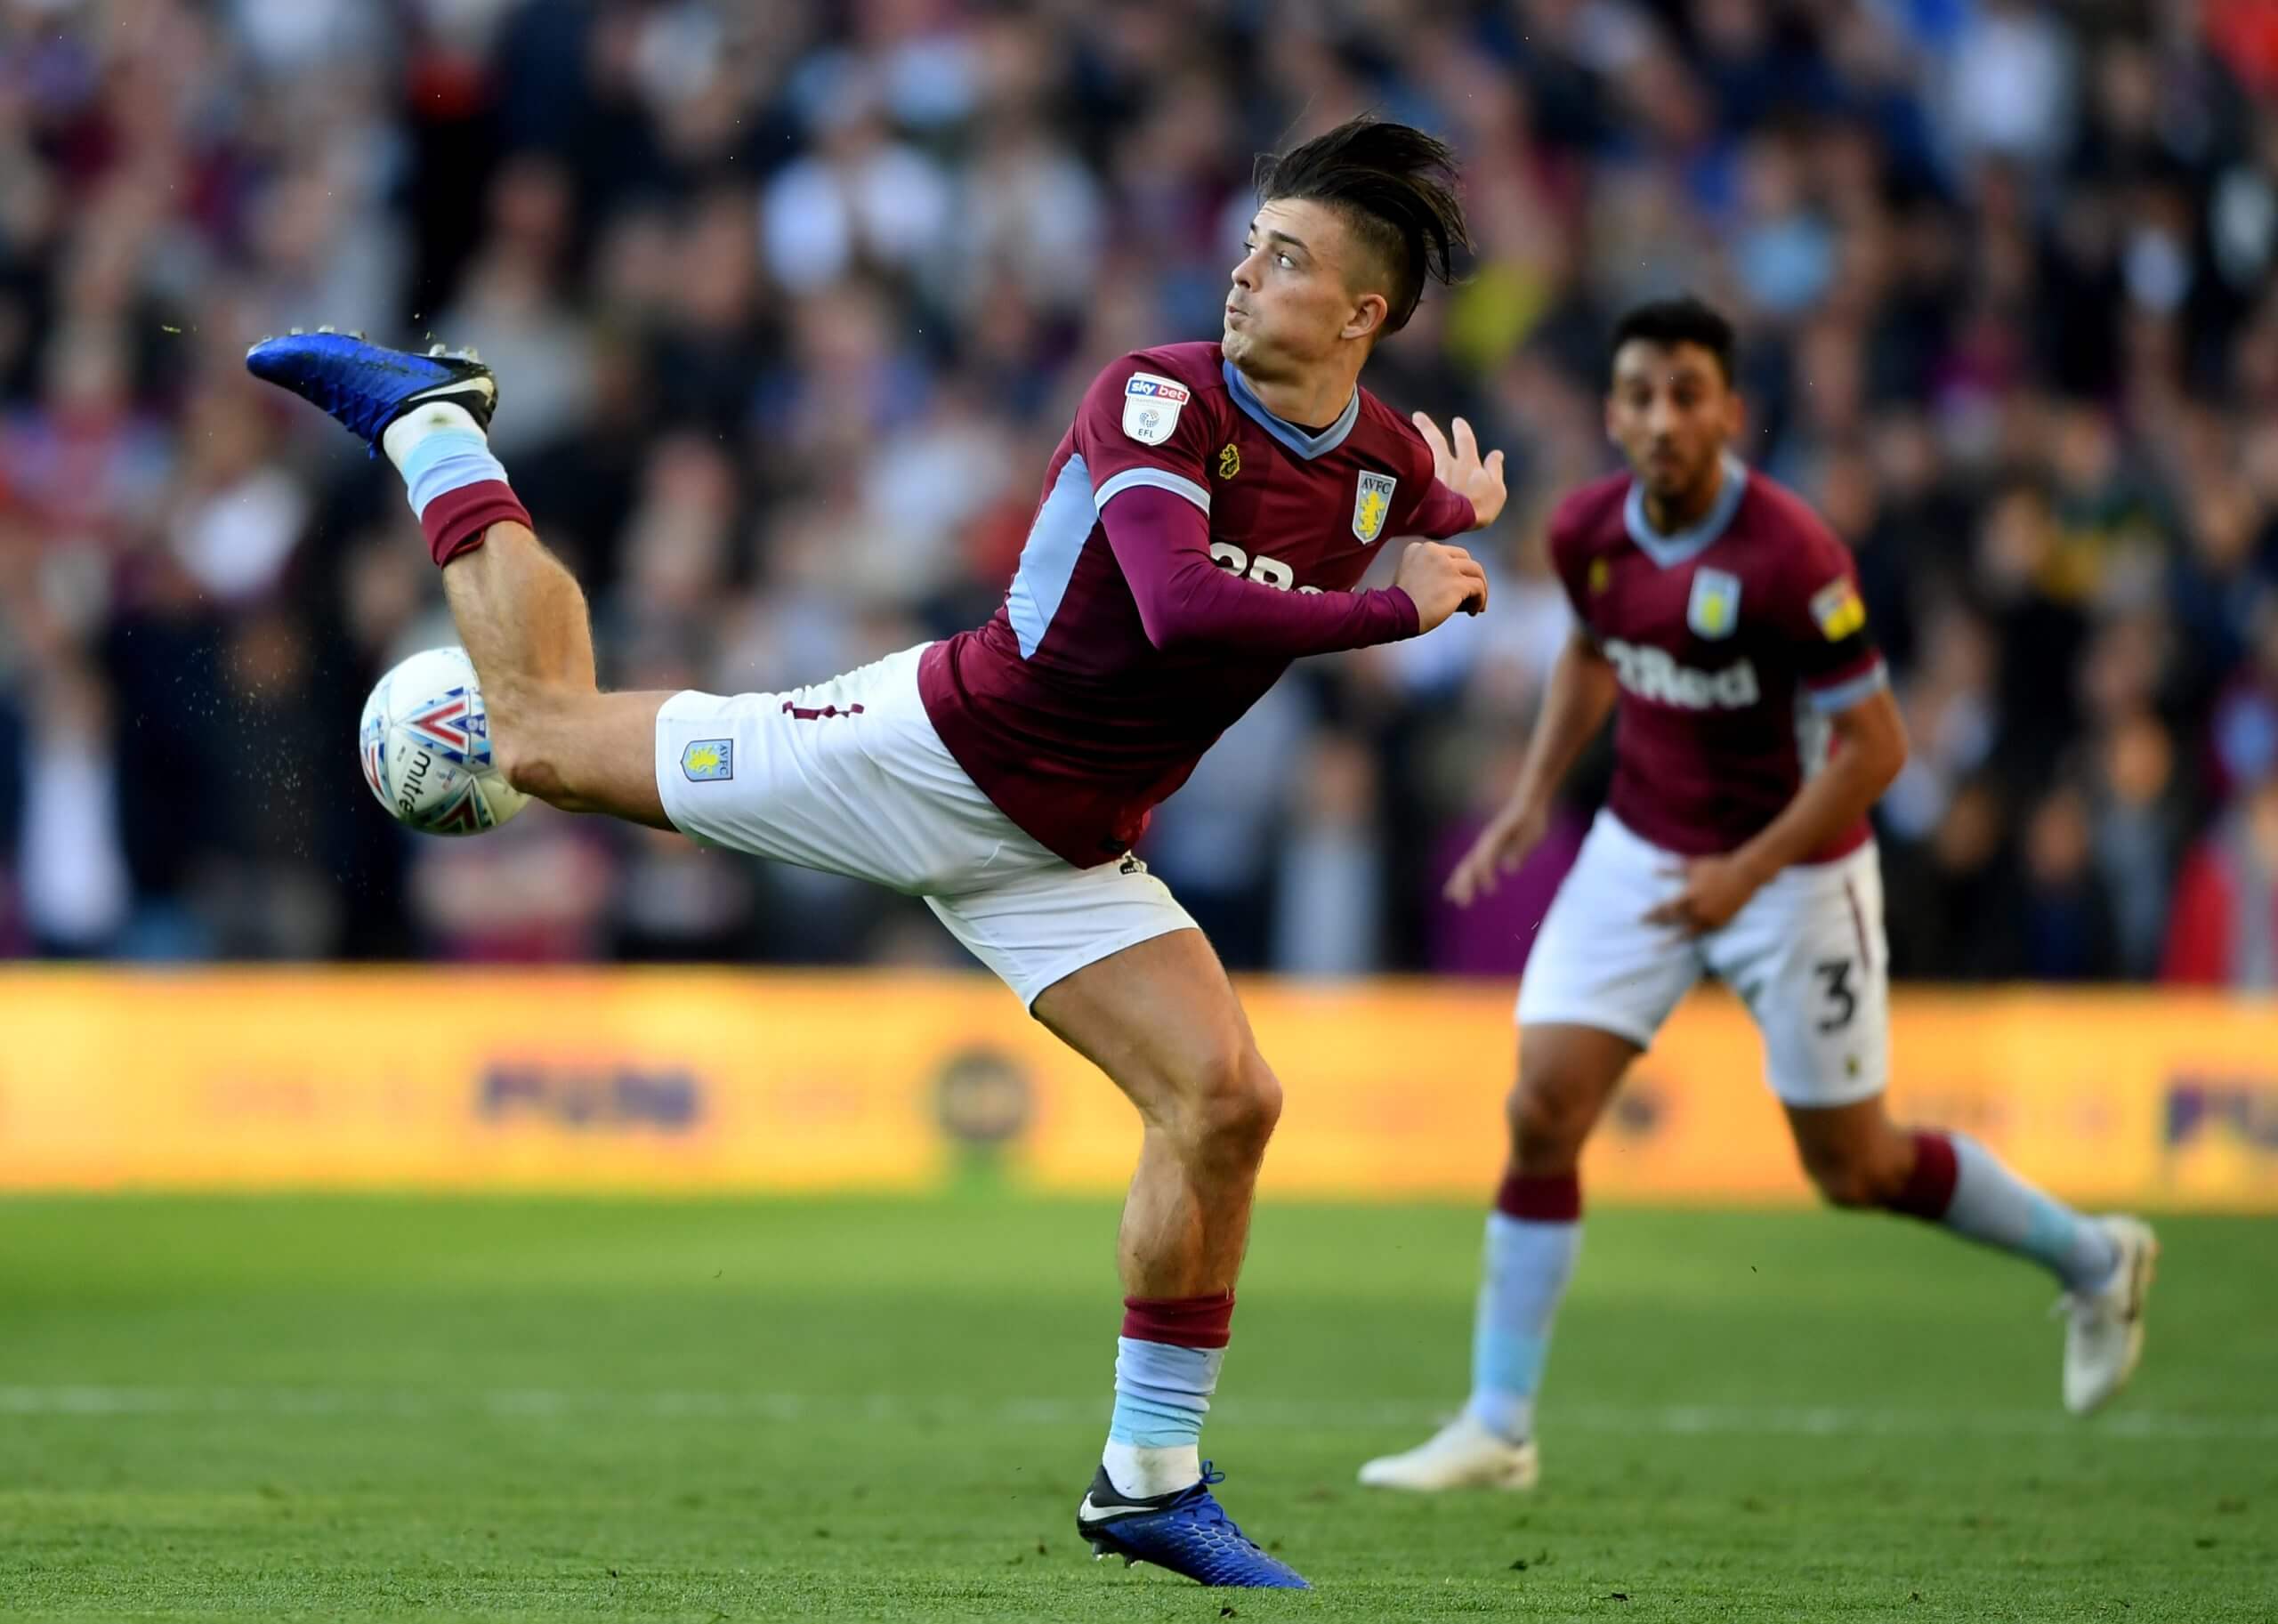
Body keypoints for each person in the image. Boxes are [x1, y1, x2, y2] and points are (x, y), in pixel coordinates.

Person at [249, 117, 1506, 1588]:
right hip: (922, 756)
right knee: (533, 738)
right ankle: (432, 422)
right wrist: (1394, 606)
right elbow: (1179, 605)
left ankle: (1146, 1479)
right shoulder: (1158, 400)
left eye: (1283, 260)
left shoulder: (1380, 459)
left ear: (1362, 313)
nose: (1241, 275)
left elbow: (1394, 505)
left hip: (1069, 850)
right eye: (1248, 241)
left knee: (1226, 1101)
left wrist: (1452, 513)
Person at [1357, 297, 2156, 1495]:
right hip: (1639, 848)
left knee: (1857, 1165)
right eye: (1640, 394)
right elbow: (1589, 649)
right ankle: (1499, 1421)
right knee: (1543, 1104)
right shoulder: (1587, 528)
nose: (1663, 418)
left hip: (1795, 871)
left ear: (1733, 411)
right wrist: (1533, 794)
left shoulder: (1792, 555)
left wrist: (1747, 870)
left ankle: (2096, 1258)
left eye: (1689, 394)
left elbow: (1877, 749)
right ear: (1614, 411)